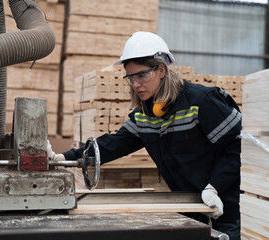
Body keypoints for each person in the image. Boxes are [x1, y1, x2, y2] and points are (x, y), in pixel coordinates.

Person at [47, 31, 241, 239]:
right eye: (130, 77)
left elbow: (240, 150)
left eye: (142, 75)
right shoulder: (146, 115)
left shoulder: (201, 102)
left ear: (162, 70)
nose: (135, 84)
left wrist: (215, 187)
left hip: (227, 209)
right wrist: (63, 159)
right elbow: (113, 144)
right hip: (192, 209)